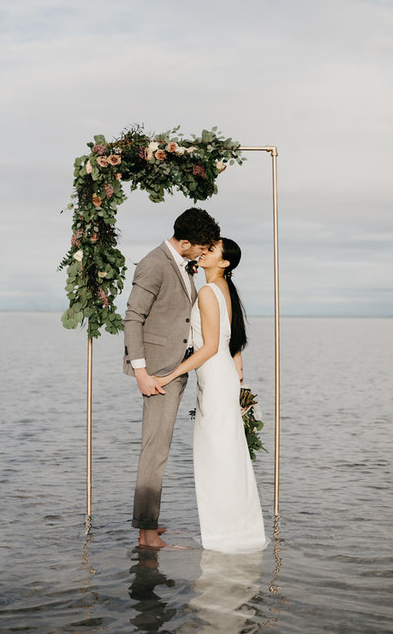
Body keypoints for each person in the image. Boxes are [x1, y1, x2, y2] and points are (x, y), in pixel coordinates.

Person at [153, 238, 267, 553]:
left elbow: (211, 345)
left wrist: (173, 372)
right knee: (226, 456)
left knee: (216, 457)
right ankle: (234, 528)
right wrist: (238, 364)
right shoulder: (225, 290)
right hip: (221, 377)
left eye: (211, 250)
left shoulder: (207, 291)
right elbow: (231, 340)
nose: (203, 252)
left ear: (224, 263)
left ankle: (224, 534)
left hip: (216, 379)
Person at [124, 207, 221, 549]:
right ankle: (147, 535)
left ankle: (150, 524)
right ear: (184, 243)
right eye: (201, 247)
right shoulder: (153, 263)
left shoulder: (181, 262)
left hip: (174, 368)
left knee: (159, 449)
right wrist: (141, 372)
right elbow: (133, 317)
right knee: (155, 452)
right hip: (158, 374)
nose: (203, 253)